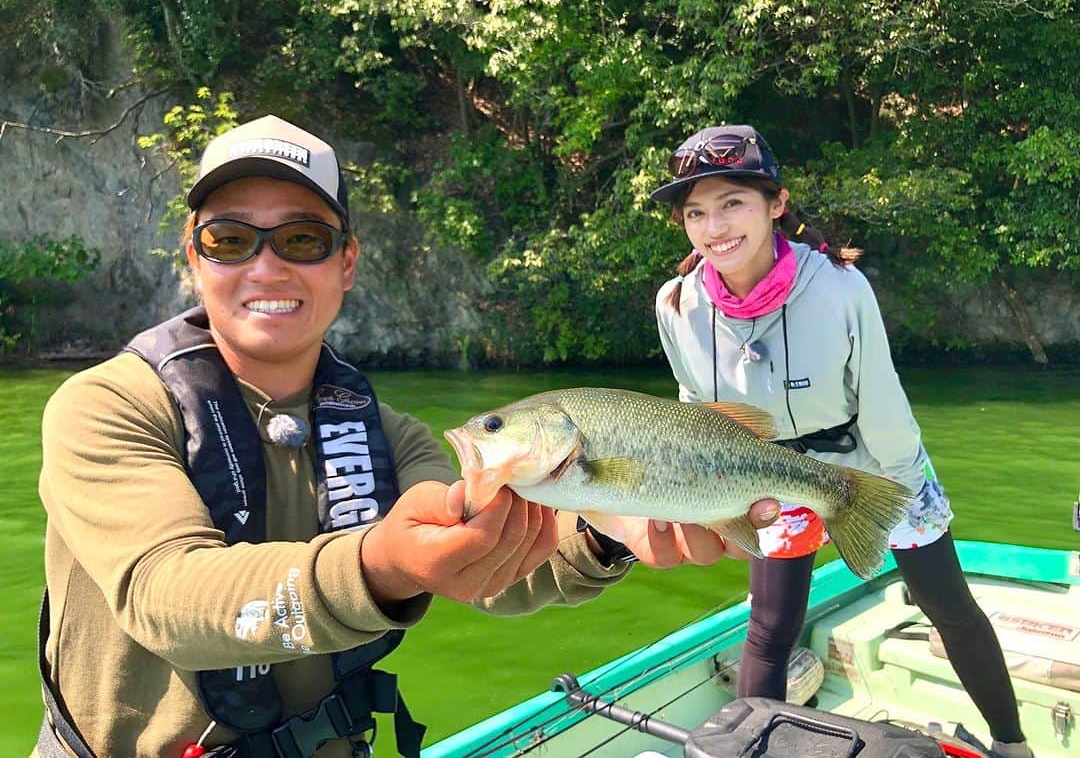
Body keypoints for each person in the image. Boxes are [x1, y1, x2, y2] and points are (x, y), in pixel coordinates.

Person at [35, 115, 780, 758]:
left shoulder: (389, 435)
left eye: (302, 238)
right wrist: (379, 565)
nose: (266, 264)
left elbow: (493, 565)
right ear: (195, 259)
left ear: (346, 263)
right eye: (230, 239)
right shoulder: (107, 407)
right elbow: (165, 595)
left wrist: (608, 535)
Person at [650, 124, 1033, 758]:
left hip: (875, 459)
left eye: (732, 204)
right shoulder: (676, 306)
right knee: (770, 626)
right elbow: (700, 415)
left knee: (946, 603)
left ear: (776, 204)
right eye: (696, 213)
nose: (715, 226)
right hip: (769, 472)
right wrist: (721, 501)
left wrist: (898, 491)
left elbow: (882, 398)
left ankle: (1012, 743)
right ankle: (747, 748)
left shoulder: (838, 286)